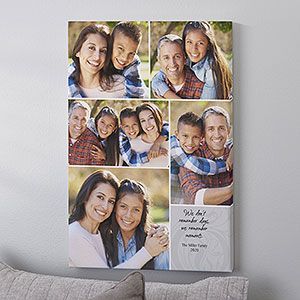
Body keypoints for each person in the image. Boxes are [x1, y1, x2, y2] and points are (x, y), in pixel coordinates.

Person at [69, 170, 167, 268]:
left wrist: (162, 231)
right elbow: (105, 279)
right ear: (86, 195)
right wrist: (148, 252)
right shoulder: (74, 234)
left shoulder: (102, 234)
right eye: (100, 197)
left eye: (111, 201)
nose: (105, 206)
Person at [152, 21, 232, 100]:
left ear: (208, 45)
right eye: (189, 42)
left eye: (200, 43)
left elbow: (207, 100)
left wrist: (174, 99)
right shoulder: (186, 56)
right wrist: (167, 94)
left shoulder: (211, 70)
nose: (194, 49)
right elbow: (156, 80)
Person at [105, 179, 169, 270]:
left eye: (136, 210)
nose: (128, 215)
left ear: (143, 212)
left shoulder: (156, 241)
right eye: (123, 206)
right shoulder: (104, 240)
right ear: (115, 207)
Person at [170, 112, 231, 204]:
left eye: (221, 128)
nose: (190, 142)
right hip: (176, 202)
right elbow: (198, 166)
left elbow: (231, 143)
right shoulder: (179, 152)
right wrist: (226, 164)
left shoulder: (233, 150)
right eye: (211, 129)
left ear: (201, 137)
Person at [68, 24, 125, 98]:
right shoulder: (66, 86)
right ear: (78, 51)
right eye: (91, 48)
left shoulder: (120, 85)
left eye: (103, 51)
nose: (97, 57)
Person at [151, 34, 204, 99]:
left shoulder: (199, 86)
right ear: (159, 60)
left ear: (185, 59)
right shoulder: (157, 83)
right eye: (166, 58)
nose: (172, 63)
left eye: (177, 57)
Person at [104, 22, 148, 98]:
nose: (124, 58)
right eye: (121, 49)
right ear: (110, 42)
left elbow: (135, 95)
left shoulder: (132, 63)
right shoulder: (101, 54)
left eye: (131, 53)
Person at [68, 101, 104, 165]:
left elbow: (96, 166)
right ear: (69, 117)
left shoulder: (93, 142)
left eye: (84, 119)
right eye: (76, 118)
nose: (79, 123)